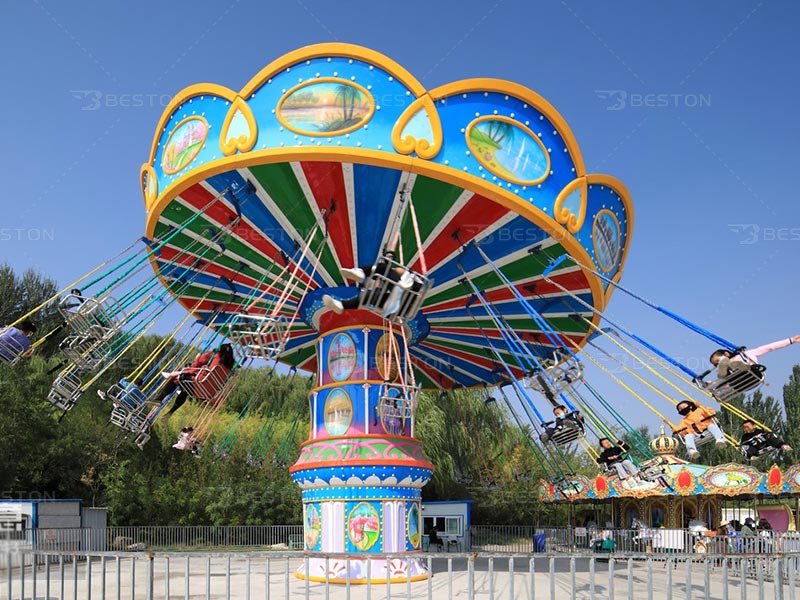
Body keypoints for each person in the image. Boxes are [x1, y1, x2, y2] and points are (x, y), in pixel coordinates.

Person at [322, 251, 420, 318]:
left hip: (406, 291)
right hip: (401, 305)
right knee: (367, 297)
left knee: (383, 268)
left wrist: (388, 266)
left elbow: (399, 271)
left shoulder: (410, 276)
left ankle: (362, 272)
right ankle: (342, 305)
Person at [154, 343, 235, 415]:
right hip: (208, 392)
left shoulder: (215, 355)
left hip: (200, 383)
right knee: (185, 390)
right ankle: (171, 412)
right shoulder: (229, 367)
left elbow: (198, 362)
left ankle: (159, 398)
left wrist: (197, 357)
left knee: (176, 379)